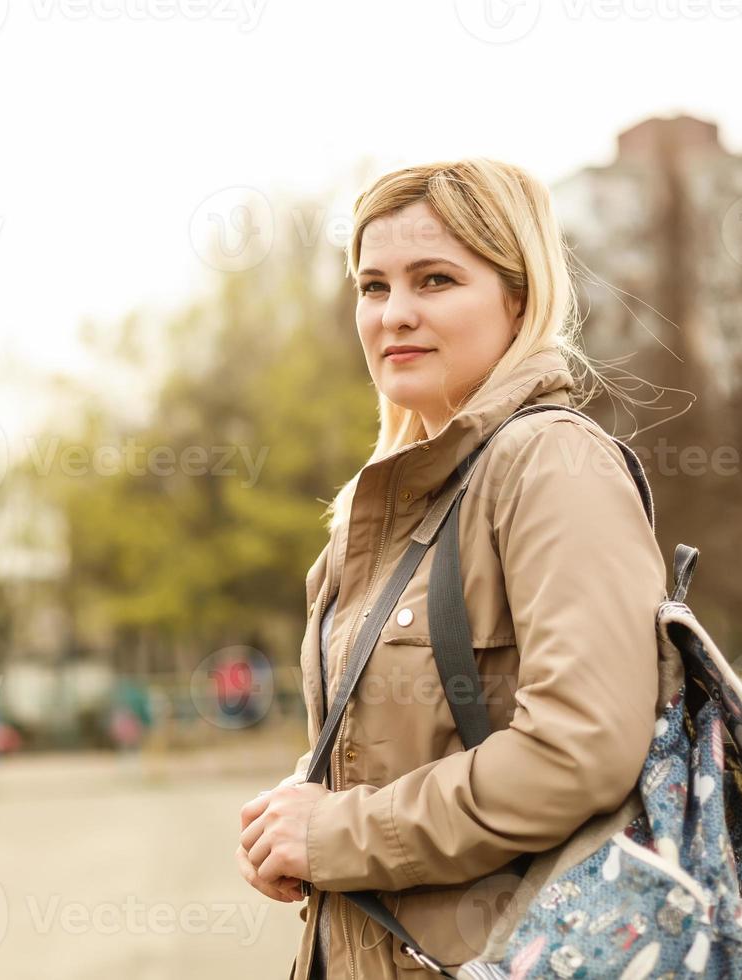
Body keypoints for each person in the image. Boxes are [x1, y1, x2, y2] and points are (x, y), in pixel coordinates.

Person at [235, 159, 665, 979]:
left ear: (517, 296)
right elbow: (401, 736)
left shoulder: (548, 463)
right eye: (373, 286)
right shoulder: (393, 499)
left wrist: (335, 834)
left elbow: (580, 750)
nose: (395, 314)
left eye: (435, 279)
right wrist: (292, 809)